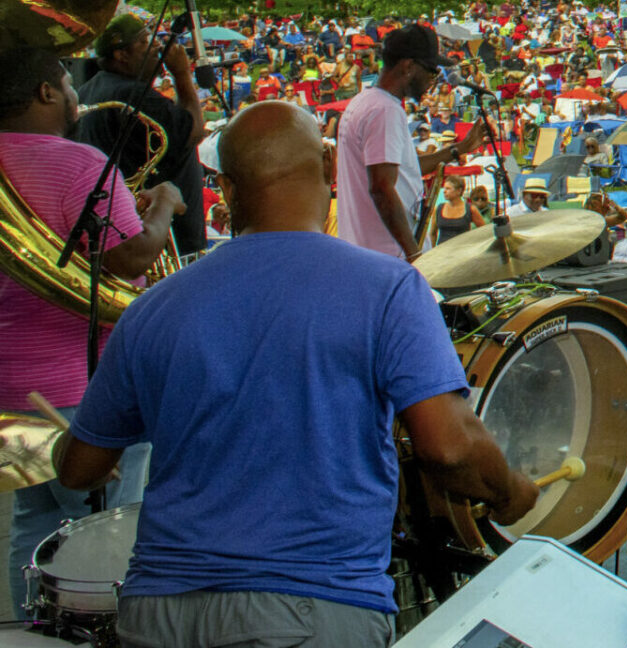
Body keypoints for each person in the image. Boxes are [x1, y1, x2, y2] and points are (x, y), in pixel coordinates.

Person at [54, 100, 536, 646]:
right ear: (330, 168)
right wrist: (509, 492)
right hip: (313, 604)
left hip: (159, 609)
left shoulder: (151, 307)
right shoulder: (389, 288)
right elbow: (450, 447)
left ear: (228, 191)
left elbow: (79, 470)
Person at [0, 47, 180, 618]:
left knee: (35, 522)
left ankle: (37, 628)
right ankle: (116, 623)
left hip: (9, 387)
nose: (78, 91)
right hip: (81, 386)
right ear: (45, 93)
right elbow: (130, 258)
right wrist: (166, 206)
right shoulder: (77, 162)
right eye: (65, 81)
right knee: (114, 524)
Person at [333, 23, 489, 261]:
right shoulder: (385, 110)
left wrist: (459, 149)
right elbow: (381, 188)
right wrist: (413, 251)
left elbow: (402, 169)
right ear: (407, 66)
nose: (433, 79)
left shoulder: (365, 102)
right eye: (431, 70)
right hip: (388, 256)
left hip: (369, 253)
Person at [76, 14, 208, 255]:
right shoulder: (134, 94)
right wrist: (181, 74)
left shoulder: (89, 89)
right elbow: (194, 131)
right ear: (121, 54)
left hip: (123, 226)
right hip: (162, 236)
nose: (157, 46)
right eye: (145, 41)